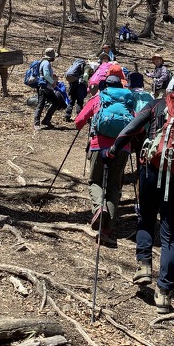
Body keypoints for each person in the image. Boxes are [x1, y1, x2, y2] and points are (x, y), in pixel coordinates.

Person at [104, 77, 174, 314]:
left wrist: (114, 150)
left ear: (169, 91)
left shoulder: (156, 105)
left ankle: (144, 265)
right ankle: (164, 294)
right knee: (171, 233)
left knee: (146, 216)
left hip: (152, 171)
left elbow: (131, 128)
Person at [74, 75, 133, 245]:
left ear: (104, 85)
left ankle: (99, 207)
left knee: (94, 181)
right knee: (114, 185)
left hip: (99, 146)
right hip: (122, 147)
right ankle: (107, 227)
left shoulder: (99, 98)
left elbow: (79, 121)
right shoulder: (128, 100)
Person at [34, 48, 58, 130]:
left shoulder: (45, 63)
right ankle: (36, 123)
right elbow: (46, 75)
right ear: (51, 57)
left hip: (48, 88)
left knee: (56, 102)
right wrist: (53, 82)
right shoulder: (46, 63)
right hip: (44, 87)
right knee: (41, 104)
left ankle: (46, 120)